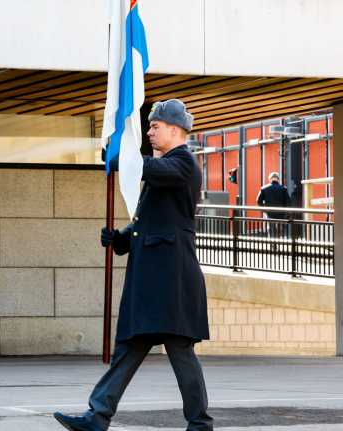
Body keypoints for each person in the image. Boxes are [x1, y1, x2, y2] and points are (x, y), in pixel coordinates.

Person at [54, 99, 213, 431]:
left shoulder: (182, 163)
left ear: (174, 129)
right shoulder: (166, 167)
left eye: (155, 127)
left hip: (171, 280)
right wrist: (122, 237)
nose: (150, 132)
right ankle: (97, 417)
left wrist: (121, 156)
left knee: (180, 351)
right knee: (128, 348)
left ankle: (199, 424)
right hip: (153, 279)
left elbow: (150, 169)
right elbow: (150, 222)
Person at [257, 172, 291, 241]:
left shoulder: (264, 188)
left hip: (269, 212)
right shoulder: (283, 188)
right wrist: (287, 212)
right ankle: (277, 240)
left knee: (270, 227)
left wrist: (264, 209)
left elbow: (258, 201)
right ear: (278, 179)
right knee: (279, 227)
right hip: (281, 212)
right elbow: (288, 202)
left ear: (270, 179)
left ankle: (272, 242)